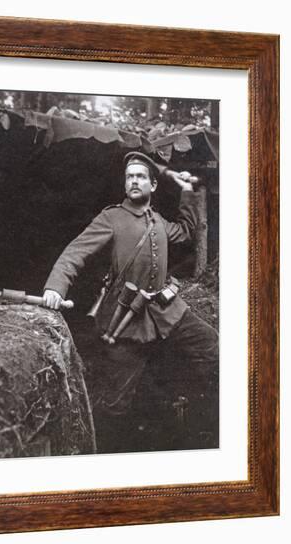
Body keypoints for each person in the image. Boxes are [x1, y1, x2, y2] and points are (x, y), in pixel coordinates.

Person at [42, 151, 219, 447]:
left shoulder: (158, 221)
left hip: (167, 310)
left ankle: (188, 416)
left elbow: (186, 232)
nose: (133, 181)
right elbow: (75, 253)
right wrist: (56, 288)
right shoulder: (111, 217)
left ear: (153, 185)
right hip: (125, 319)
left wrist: (187, 190)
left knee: (211, 346)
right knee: (115, 403)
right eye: (129, 177)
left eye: (140, 177)